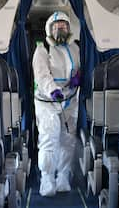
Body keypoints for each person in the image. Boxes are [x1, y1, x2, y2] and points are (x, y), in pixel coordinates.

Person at [32, 11, 81, 197]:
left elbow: (78, 69)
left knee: (67, 140)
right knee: (49, 140)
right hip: (47, 101)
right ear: (49, 29)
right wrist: (52, 89)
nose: (61, 29)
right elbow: (42, 74)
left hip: (70, 100)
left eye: (64, 26)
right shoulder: (42, 49)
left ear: (69, 28)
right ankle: (47, 179)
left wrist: (77, 78)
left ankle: (63, 177)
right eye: (57, 26)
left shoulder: (75, 48)